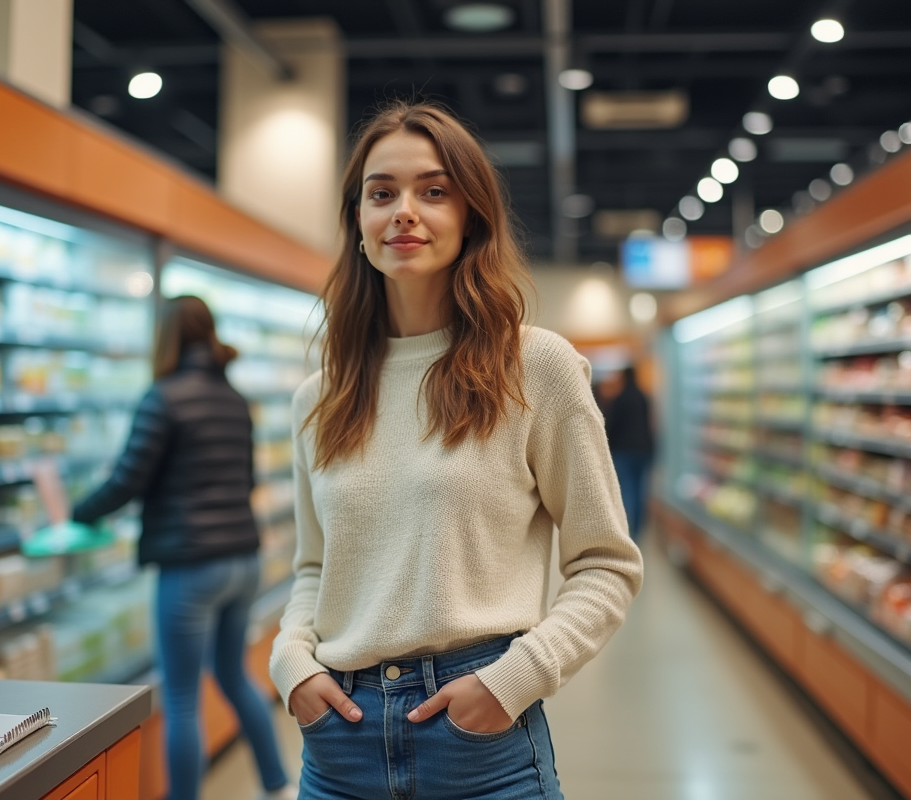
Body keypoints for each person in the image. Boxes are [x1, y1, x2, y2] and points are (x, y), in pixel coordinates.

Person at [269, 100, 644, 800]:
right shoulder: (321, 397)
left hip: (481, 748)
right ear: (358, 220)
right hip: (337, 746)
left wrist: (513, 681)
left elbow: (606, 565)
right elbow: (315, 567)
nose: (404, 212)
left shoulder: (536, 368)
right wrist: (292, 664)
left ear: (471, 215)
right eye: (382, 193)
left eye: (433, 191)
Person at [72, 296, 295, 800]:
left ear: (166, 336)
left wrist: (78, 514)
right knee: (235, 675)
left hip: (191, 565)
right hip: (244, 559)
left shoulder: (164, 397)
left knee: (180, 699)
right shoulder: (234, 399)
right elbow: (247, 480)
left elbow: (127, 479)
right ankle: (278, 785)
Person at [599, 365, 656, 543]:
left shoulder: (619, 399)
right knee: (640, 490)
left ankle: (625, 530)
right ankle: (638, 530)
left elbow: (611, 426)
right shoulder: (644, 398)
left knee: (625, 490)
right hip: (643, 450)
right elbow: (650, 425)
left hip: (623, 451)